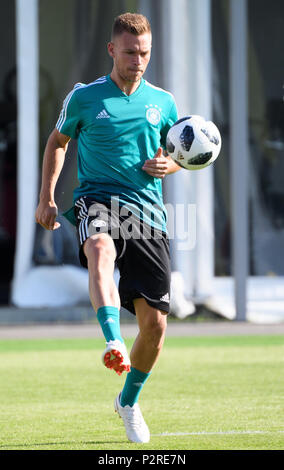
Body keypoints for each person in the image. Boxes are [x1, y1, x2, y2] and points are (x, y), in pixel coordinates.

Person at [35, 12, 181, 444]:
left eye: (146, 53)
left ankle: (128, 401)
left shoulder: (164, 102)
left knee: (155, 326)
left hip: (148, 215)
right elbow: (58, 142)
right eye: (131, 51)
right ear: (112, 50)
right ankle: (113, 341)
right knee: (99, 250)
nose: (139, 59)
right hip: (96, 199)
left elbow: (180, 154)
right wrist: (47, 197)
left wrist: (168, 164)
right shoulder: (84, 97)